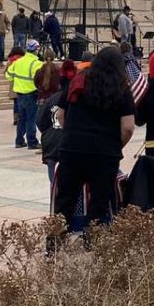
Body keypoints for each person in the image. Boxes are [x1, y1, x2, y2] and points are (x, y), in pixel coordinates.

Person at [53, 46, 136, 230]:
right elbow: (128, 127)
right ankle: (93, 244)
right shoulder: (122, 88)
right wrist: (116, 145)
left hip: (72, 149)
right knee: (99, 203)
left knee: (64, 201)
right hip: (104, 153)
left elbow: (59, 114)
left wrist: (71, 133)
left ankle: (54, 246)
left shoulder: (78, 81)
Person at [6, 40, 44, 149]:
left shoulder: (18, 61)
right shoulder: (36, 64)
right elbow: (40, 79)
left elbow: (8, 75)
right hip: (31, 93)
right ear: (36, 50)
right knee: (31, 118)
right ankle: (32, 141)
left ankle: (19, 141)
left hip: (19, 94)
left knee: (22, 118)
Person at [35, 61, 65, 185]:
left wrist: (47, 132)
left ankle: (53, 187)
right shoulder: (72, 97)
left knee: (51, 165)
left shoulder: (39, 70)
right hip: (66, 140)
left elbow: (40, 120)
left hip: (51, 139)